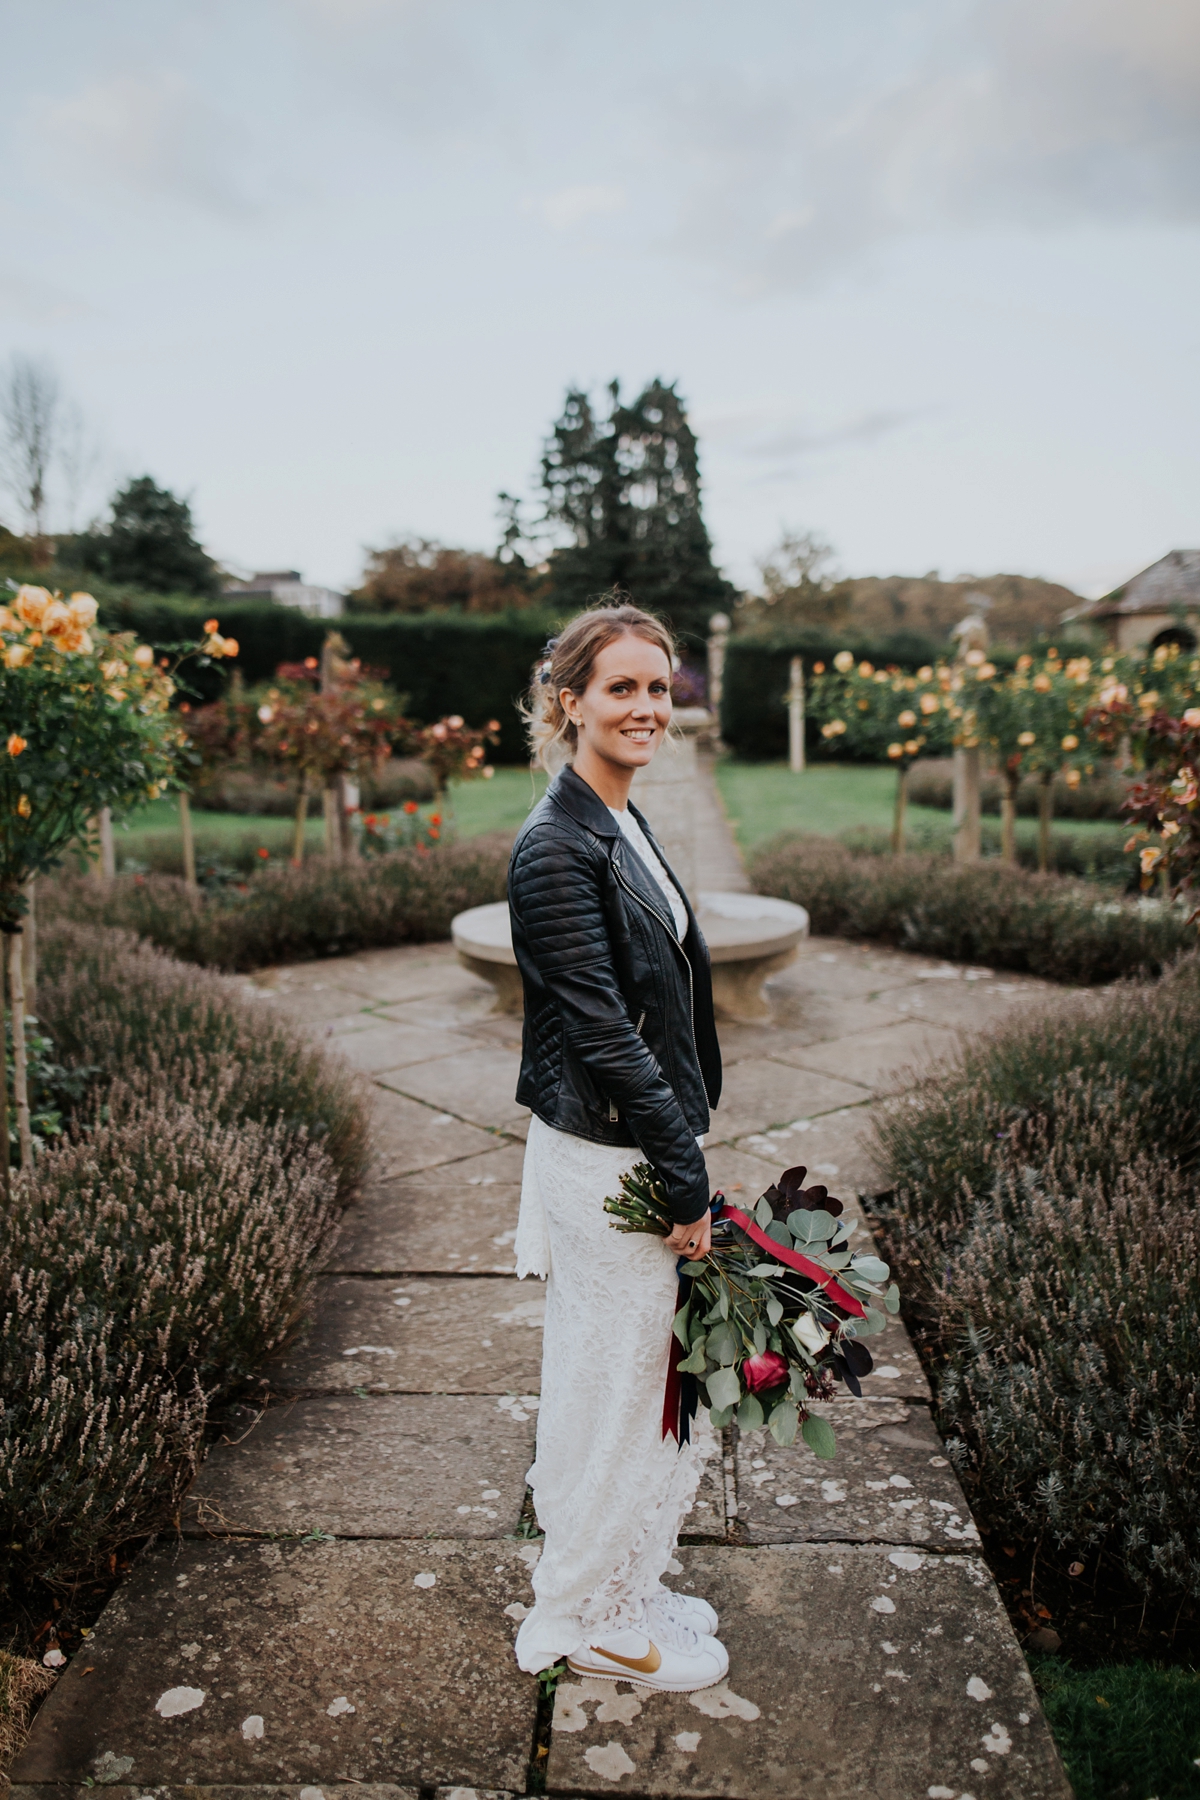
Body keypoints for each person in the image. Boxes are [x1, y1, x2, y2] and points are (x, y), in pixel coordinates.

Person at [507, 598, 728, 1691]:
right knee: (615, 1392)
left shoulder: (618, 814)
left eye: (659, 685)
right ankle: (577, 1619)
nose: (647, 705)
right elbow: (598, 1028)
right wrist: (684, 1172)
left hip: (637, 1144)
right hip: (609, 1164)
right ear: (570, 702)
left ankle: (625, 1581)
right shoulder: (554, 847)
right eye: (622, 687)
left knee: (640, 1385)